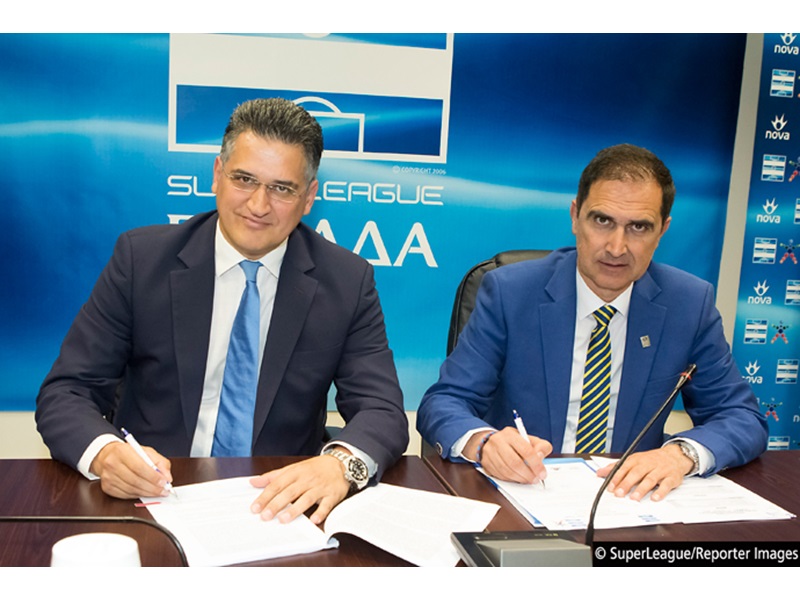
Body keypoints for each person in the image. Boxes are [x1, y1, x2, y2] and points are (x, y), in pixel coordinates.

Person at [36, 98, 408, 524]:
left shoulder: (347, 280)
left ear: (309, 197)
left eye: (282, 188)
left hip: (278, 506)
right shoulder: (141, 261)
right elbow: (67, 392)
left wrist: (340, 465)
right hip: (155, 498)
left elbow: (382, 410)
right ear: (217, 174)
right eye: (244, 179)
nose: (259, 205)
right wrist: (107, 454)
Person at [417, 144, 767, 502]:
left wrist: (680, 455)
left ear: (663, 230)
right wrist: (484, 443)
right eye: (602, 221)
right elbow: (444, 402)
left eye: (639, 227)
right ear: (575, 216)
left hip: (628, 500)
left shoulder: (688, 304)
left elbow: (742, 417)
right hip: (522, 494)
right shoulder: (510, 293)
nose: (616, 247)